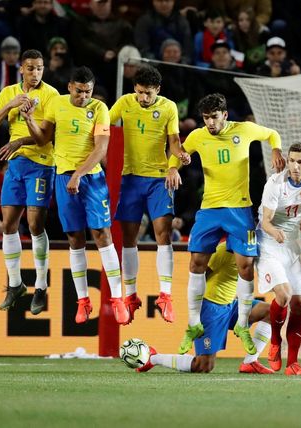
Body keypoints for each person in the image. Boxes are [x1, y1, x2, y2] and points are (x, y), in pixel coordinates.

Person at [169, 93, 286, 355]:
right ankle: (193, 324)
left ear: (224, 114)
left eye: (214, 117)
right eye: (206, 118)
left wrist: (276, 149)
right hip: (209, 209)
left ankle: (243, 324)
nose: (210, 122)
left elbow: (272, 134)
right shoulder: (199, 136)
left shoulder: (243, 130)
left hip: (240, 209)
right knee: (196, 264)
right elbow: (180, 153)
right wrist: (174, 166)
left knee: (245, 267)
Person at [23, 66, 128, 325]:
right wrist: (29, 119)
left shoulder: (100, 109)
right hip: (63, 176)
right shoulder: (57, 104)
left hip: (91, 178)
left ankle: (117, 298)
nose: (84, 96)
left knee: (102, 234)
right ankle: (83, 301)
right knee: (74, 237)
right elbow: (42, 139)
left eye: (88, 92)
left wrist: (78, 174)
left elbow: (101, 148)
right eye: (79, 91)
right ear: (70, 87)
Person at [109, 66, 190, 324]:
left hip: (158, 179)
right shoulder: (124, 103)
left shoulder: (168, 107)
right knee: (129, 237)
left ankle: (165, 296)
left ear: (158, 91)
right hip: (129, 178)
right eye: (141, 93)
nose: (144, 98)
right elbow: (102, 126)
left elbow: (174, 141)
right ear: (135, 89)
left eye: (149, 94)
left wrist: (178, 158)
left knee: (163, 234)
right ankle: (130, 296)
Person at [0, 49, 59, 315]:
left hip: (41, 164)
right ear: (21, 69)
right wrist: (10, 105)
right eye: (30, 68)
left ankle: (40, 286)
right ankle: (15, 284)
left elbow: (45, 138)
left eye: (39, 68)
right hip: (16, 166)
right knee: (8, 224)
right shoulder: (8, 93)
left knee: (34, 224)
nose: (35, 73)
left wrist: (18, 139)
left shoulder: (51, 96)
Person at [136, 241, 275, 374]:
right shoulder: (223, 250)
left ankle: (250, 362)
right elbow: (200, 275)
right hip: (211, 308)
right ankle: (153, 358)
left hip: (231, 305)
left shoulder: (250, 249)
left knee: (271, 311)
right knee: (203, 365)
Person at [256, 142, 301, 376]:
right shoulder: (275, 183)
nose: (295, 166)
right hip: (269, 244)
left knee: (299, 304)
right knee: (283, 295)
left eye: (300, 162)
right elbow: (266, 221)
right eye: (292, 160)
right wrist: (275, 233)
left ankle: (292, 364)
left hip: (291, 246)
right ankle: (275, 342)